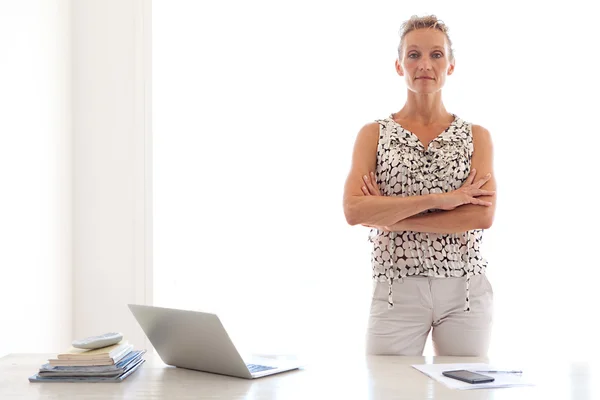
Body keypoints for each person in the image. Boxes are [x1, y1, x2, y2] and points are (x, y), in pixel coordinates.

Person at [343, 15, 497, 356]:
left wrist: (389, 217)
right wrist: (442, 200)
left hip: (465, 290)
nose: (424, 64)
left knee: (464, 392)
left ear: (451, 66)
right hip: (396, 288)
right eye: (413, 55)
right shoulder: (374, 134)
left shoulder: (476, 137)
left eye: (436, 55)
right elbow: (354, 210)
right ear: (399, 65)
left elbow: (480, 217)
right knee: (387, 389)